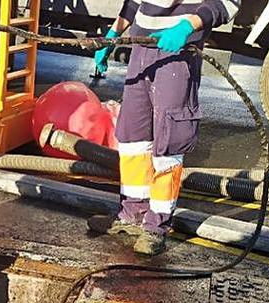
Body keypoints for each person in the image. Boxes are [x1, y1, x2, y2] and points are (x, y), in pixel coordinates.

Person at [88, 0, 240, 255]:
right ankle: (131, 216)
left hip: (177, 51)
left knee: (168, 143)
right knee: (132, 139)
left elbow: (228, 3)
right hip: (141, 49)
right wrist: (114, 34)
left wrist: (186, 27)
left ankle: (156, 226)